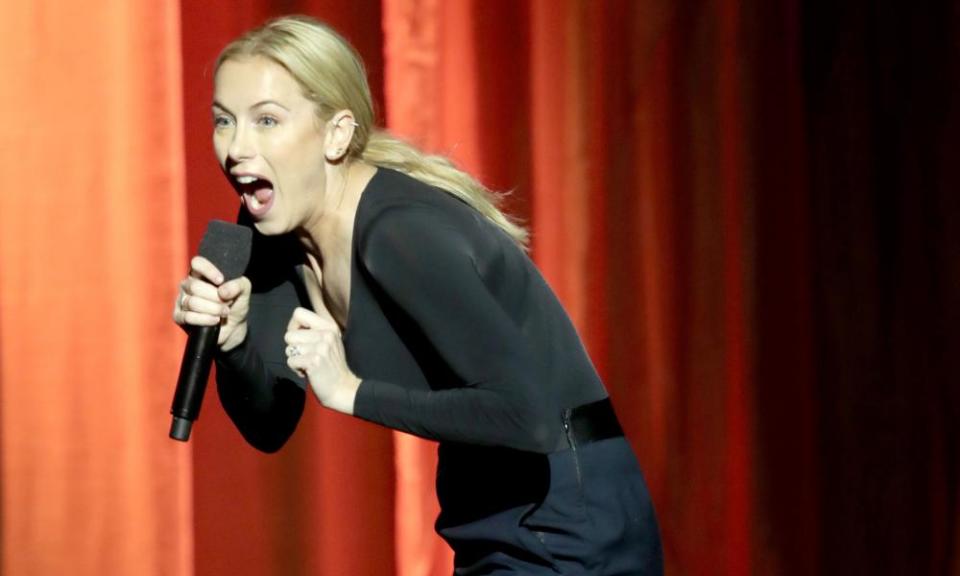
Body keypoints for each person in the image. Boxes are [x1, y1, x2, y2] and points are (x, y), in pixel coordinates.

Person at [173, 15, 662, 575]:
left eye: (266, 120)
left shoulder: (400, 233)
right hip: (487, 512)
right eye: (224, 121)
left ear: (336, 134)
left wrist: (352, 391)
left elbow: (529, 416)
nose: (236, 148)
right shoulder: (274, 235)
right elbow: (270, 424)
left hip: (567, 508)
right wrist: (233, 343)